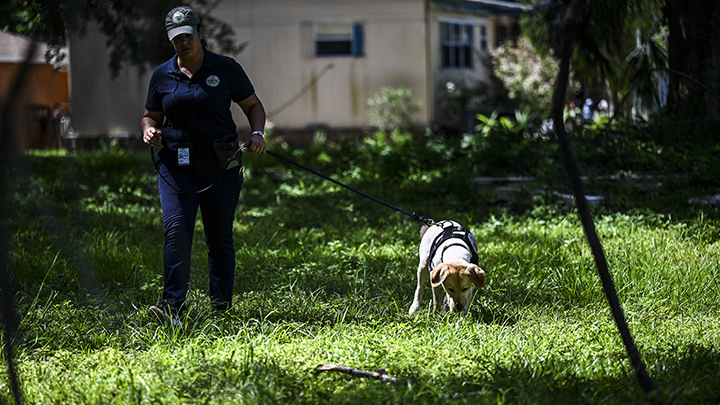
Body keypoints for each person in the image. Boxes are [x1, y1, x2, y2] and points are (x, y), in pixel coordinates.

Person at [141, 5, 267, 325]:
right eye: (176, 38)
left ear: (200, 33)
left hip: (220, 162)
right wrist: (148, 129)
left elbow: (253, 105)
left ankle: (221, 309)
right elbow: (151, 114)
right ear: (170, 41)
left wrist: (256, 133)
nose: (184, 42)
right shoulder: (162, 74)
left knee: (219, 237)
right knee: (177, 230)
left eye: (188, 35)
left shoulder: (225, 68)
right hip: (175, 164)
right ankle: (173, 307)